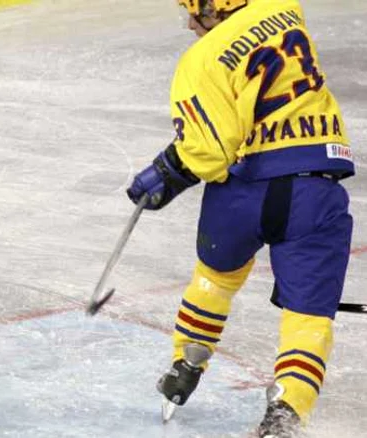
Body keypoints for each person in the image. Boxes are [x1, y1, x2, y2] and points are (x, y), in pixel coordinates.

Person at [126, 0, 353, 436]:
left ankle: (186, 362)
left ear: (216, 8)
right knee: (307, 315)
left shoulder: (201, 59)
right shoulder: (287, 8)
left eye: (196, 10)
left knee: (216, 276)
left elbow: (209, 151)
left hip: (244, 190)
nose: (191, 22)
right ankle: (287, 408)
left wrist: (166, 173)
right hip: (315, 186)